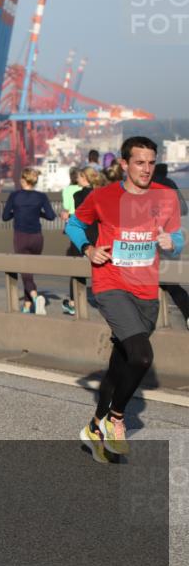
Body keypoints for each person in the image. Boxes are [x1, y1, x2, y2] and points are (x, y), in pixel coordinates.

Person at [66, 136, 183, 462]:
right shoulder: (103, 196)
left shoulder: (166, 197)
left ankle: (94, 428)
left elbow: (177, 237)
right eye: (139, 162)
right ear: (124, 164)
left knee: (121, 364)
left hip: (146, 291)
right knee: (142, 357)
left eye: (151, 163)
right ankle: (115, 419)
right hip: (111, 284)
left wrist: (172, 242)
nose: (146, 169)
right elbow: (74, 224)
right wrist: (88, 248)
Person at [2, 167, 57, 314]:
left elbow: (5, 217)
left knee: (25, 271)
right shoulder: (41, 196)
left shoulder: (14, 196)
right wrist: (38, 213)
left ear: (22, 180)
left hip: (21, 236)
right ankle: (27, 305)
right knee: (29, 271)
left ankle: (35, 297)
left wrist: (16, 212)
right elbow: (51, 216)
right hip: (37, 238)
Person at [63, 167, 106, 315]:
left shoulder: (78, 195)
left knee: (77, 270)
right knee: (100, 269)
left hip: (82, 234)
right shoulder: (100, 194)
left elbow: (79, 216)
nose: (77, 179)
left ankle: (73, 302)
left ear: (85, 178)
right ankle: (104, 301)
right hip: (98, 233)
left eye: (80, 177)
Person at [153, 163, 189, 329]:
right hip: (169, 235)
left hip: (150, 235)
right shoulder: (171, 184)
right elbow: (183, 209)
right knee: (171, 281)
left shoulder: (148, 183)